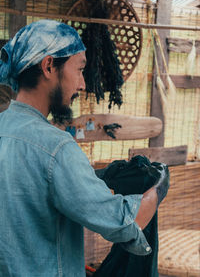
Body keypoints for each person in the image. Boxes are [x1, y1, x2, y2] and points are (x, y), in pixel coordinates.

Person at [0, 19, 169, 277]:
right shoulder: (56, 147)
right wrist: (160, 186)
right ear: (49, 66)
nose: (82, 84)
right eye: (79, 69)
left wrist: (93, 175)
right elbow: (126, 222)